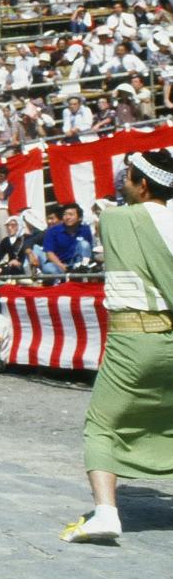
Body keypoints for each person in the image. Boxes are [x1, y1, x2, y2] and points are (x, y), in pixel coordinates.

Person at [61, 149, 173, 544]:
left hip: (133, 337)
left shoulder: (116, 218)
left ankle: (106, 513)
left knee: (102, 425)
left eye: (128, 176)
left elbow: (112, 208)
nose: (122, 182)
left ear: (142, 185)